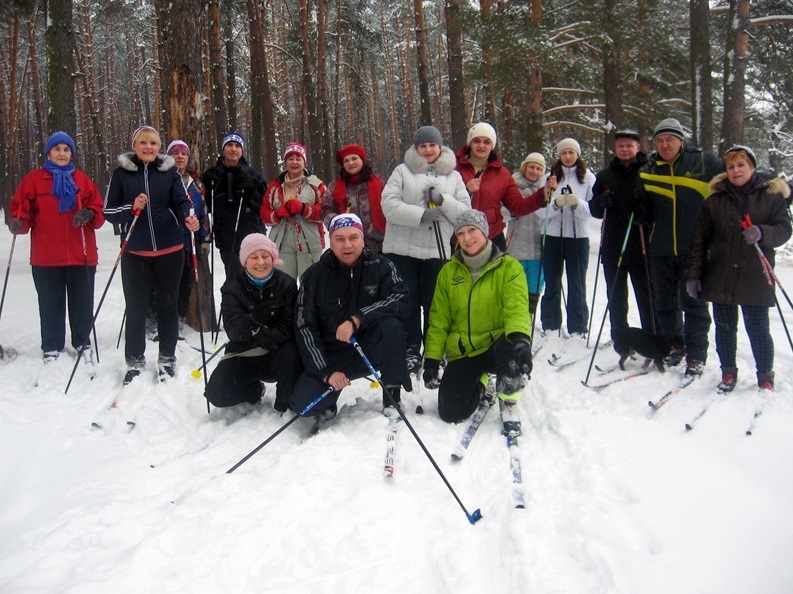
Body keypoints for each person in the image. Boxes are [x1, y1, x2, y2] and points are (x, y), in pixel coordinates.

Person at [687, 146, 791, 392]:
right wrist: (694, 275)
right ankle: (728, 372)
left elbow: (785, 230)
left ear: (752, 167)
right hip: (720, 273)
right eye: (731, 166)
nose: (736, 170)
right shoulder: (715, 201)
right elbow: (699, 240)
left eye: (741, 165)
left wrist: (763, 232)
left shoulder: (771, 197)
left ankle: (765, 375)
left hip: (756, 274)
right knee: (724, 327)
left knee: (758, 327)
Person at [423, 210, 533, 436]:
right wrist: (432, 358)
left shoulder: (509, 267)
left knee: (513, 351)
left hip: (498, 346)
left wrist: (521, 340)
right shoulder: (448, 272)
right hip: (465, 350)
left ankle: (509, 401)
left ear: (484, 232)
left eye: (472, 230)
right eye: (461, 233)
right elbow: (439, 319)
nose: (467, 238)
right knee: (450, 412)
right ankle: (482, 383)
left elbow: (517, 308)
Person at [104, 125, 200, 384]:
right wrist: (130, 207)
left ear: (159, 147)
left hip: (170, 249)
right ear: (134, 146)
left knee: (168, 306)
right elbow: (108, 211)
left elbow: (182, 202)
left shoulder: (168, 172)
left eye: (153, 143)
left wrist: (188, 217)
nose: (148, 147)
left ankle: (167, 358)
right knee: (136, 308)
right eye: (143, 143)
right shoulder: (121, 174)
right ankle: (134, 361)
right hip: (135, 251)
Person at [292, 213, 411, 420]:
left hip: (369, 348)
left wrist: (358, 319)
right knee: (304, 406)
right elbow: (304, 326)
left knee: (391, 326)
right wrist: (325, 372)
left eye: (353, 237)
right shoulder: (314, 276)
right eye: (339, 239)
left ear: (362, 240)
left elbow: (400, 298)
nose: (347, 245)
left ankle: (392, 393)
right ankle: (328, 401)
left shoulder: (381, 265)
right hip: (332, 355)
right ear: (331, 243)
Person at [633, 117, 723, 377]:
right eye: (660, 140)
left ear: (681, 140)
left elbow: (732, 179)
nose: (664, 145)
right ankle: (676, 348)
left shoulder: (704, 161)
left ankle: (696, 356)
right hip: (660, 248)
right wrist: (637, 210)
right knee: (665, 305)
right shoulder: (649, 168)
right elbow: (642, 207)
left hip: (694, 248)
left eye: (670, 139)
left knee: (693, 303)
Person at [8, 131, 105, 365]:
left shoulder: (81, 179)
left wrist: (89, 213)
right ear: (48, 153)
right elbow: (21, 209)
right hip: (46, 256)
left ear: (71, 154)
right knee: (50, 303)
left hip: (80, 254)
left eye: (66, 149)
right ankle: (51, 345)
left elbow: (99, 212)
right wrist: (18, 221)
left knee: (82, 302)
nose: (62, 153)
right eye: (57, 149)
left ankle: (82, 341)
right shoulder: (34, 179)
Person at [381, 125, 471, 373]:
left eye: (432, 145)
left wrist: (443, 200)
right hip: (402, 251)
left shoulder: (454, 177)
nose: (428, 150)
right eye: (423, 145)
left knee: (436, 304)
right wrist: (420, 215)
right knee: (407, 301)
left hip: (436, 251)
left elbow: (465, 214)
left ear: (440, 147)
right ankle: (410, 349)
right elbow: (388, 205)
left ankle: (434, 350)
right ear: (416, 148)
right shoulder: (402, 171)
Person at [204, 234, 302, 410]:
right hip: (245, 353)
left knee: (292, 354)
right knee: (217, 393)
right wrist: (254, 319)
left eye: (265, 256)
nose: (260, 262)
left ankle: (284, 403)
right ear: (244, 261)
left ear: (273, 258)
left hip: (277, 353)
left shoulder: (287, 284)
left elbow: (287, 330)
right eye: (254, 257)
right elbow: (234, 331)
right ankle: (253, 391)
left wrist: (258, 332)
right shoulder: (232, 288)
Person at [590, 129, 655, 347]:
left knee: (646, 297)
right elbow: (594, 209)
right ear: (615, 148)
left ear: (638, 147)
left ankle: (650, 337)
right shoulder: (605, 175)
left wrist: (643, 211)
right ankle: (620, 338)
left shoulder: (648, 172)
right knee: (616, 298)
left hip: (641, 245)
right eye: (621, 146)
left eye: (629, 146)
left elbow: (657, 206)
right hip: (613, 245)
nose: (625, 149)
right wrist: (601, 202)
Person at [455, 122, 547, 250]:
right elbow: (443, 200)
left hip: (492, 237)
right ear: (470, 143)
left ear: (492, 145)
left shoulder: (502, 174)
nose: (481, 145)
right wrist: (466, 190)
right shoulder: (455, 168)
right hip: (461, 238)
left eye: (487, 142)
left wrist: (543, 194)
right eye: (476, 141)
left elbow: (518, 207)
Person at [538, 138, 596, 338]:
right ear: (559, 155)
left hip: (578, 238)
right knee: (552, 282)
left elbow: (593, 211)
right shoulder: (550, 177)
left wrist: (576, 203)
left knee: (576, 283)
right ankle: (551, 325)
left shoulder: (588, 178)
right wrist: (555, 204)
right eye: (564, 153)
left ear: (578, 154)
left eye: (571, 152)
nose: (568, 156)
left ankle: (578, 328)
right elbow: (540, 211)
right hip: (552, 236)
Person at [165, 139, 214, 331]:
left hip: (189, 241)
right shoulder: (162, 179)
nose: (179, 157)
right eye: (175, 153)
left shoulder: (196, 183)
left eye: (183, 154)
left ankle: (178, 319)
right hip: (166, 240)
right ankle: (158, 322)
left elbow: (203, 212)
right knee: (165, 284)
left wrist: (205, 238)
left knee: (185, 282)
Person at [201, 132, 267, 273]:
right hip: (227, 239)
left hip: (252, 237)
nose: (233, 149)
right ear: (223, 149)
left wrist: (251, 191)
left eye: (237, 146)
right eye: (229, 145)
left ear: (242, 150)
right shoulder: (213, 176)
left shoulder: (254, 176)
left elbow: (264, 208)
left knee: (255, 277)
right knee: (234, 280)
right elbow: (206, 207)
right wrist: (208, 185)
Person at [261, 142, 327, 280]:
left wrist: (304, 209)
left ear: (304, 162)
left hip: (309, 240)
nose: (294, 162)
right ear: (285, 162)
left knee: (309, 282)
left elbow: (325, 211)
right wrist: (277, 214)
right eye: (290, 159)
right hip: (282, 241)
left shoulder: (316, 185)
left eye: (298, 158)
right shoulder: (275, 186)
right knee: (284, 283)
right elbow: (264, 212)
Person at [506, 152, 557, 322]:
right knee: (516, 285)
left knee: (535, 285)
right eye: (532, 167)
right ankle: (515, 317)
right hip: (517, 244)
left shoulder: (547, 188)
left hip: (537, 246)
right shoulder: (513, 185)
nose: (535, 171)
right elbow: (502, 210)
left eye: (539, 169)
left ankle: (528, 317)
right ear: (524, 168)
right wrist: (512, 212)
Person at [321, 144, 386, 253]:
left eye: (354, 158)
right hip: (348, 245)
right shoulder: (334, 186)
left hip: (379, 245)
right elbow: (325, 209)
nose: (350, 163)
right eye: (346, 161)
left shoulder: (380, 182)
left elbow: (391, 207)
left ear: (362, 160)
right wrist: (339, 223)